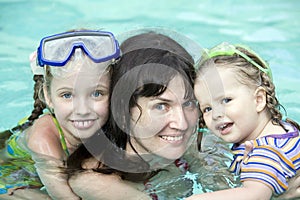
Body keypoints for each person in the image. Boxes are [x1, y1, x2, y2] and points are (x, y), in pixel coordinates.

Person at [67, 30, 207, 200]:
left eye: (189, 103)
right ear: (123, 110)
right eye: (161, 106)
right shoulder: (97, 182)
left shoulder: (186, 147)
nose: (182, 124)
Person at [0, 30, 121, 199]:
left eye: (96, 93)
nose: (82, 110)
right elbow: (64, 197)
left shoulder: (114, 121)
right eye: (67, 95)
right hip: (10, 179)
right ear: (48, 97)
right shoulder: (43, 138)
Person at [187, 42, 300, 200]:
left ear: (259, 99)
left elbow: (253, 195)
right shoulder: (285, 129)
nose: (215, 115)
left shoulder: (264, 152)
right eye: (207, 108)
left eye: (226, 100)